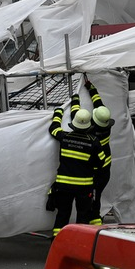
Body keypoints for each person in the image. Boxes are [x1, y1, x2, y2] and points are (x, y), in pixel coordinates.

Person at [46, 105, 109, 238]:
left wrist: (58, 112)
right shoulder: (94, 142)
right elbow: (101, 163)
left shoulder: (64, 137)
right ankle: (80, 246)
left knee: (62, 215)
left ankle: (57, 244)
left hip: (63, 186)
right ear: (88, 126)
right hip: (84, 188)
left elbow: (53, 128)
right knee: (83, 218)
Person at [86, 80, 114, 222]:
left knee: (93, 197)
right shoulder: (106, 125)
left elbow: (77, 122)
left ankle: (94, 221)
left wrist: (75, 104)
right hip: (105, 170)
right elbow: (98, 103)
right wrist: (91, 88)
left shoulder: (91, 132)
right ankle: (94, 218)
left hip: (96, 172)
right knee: (96, 195)